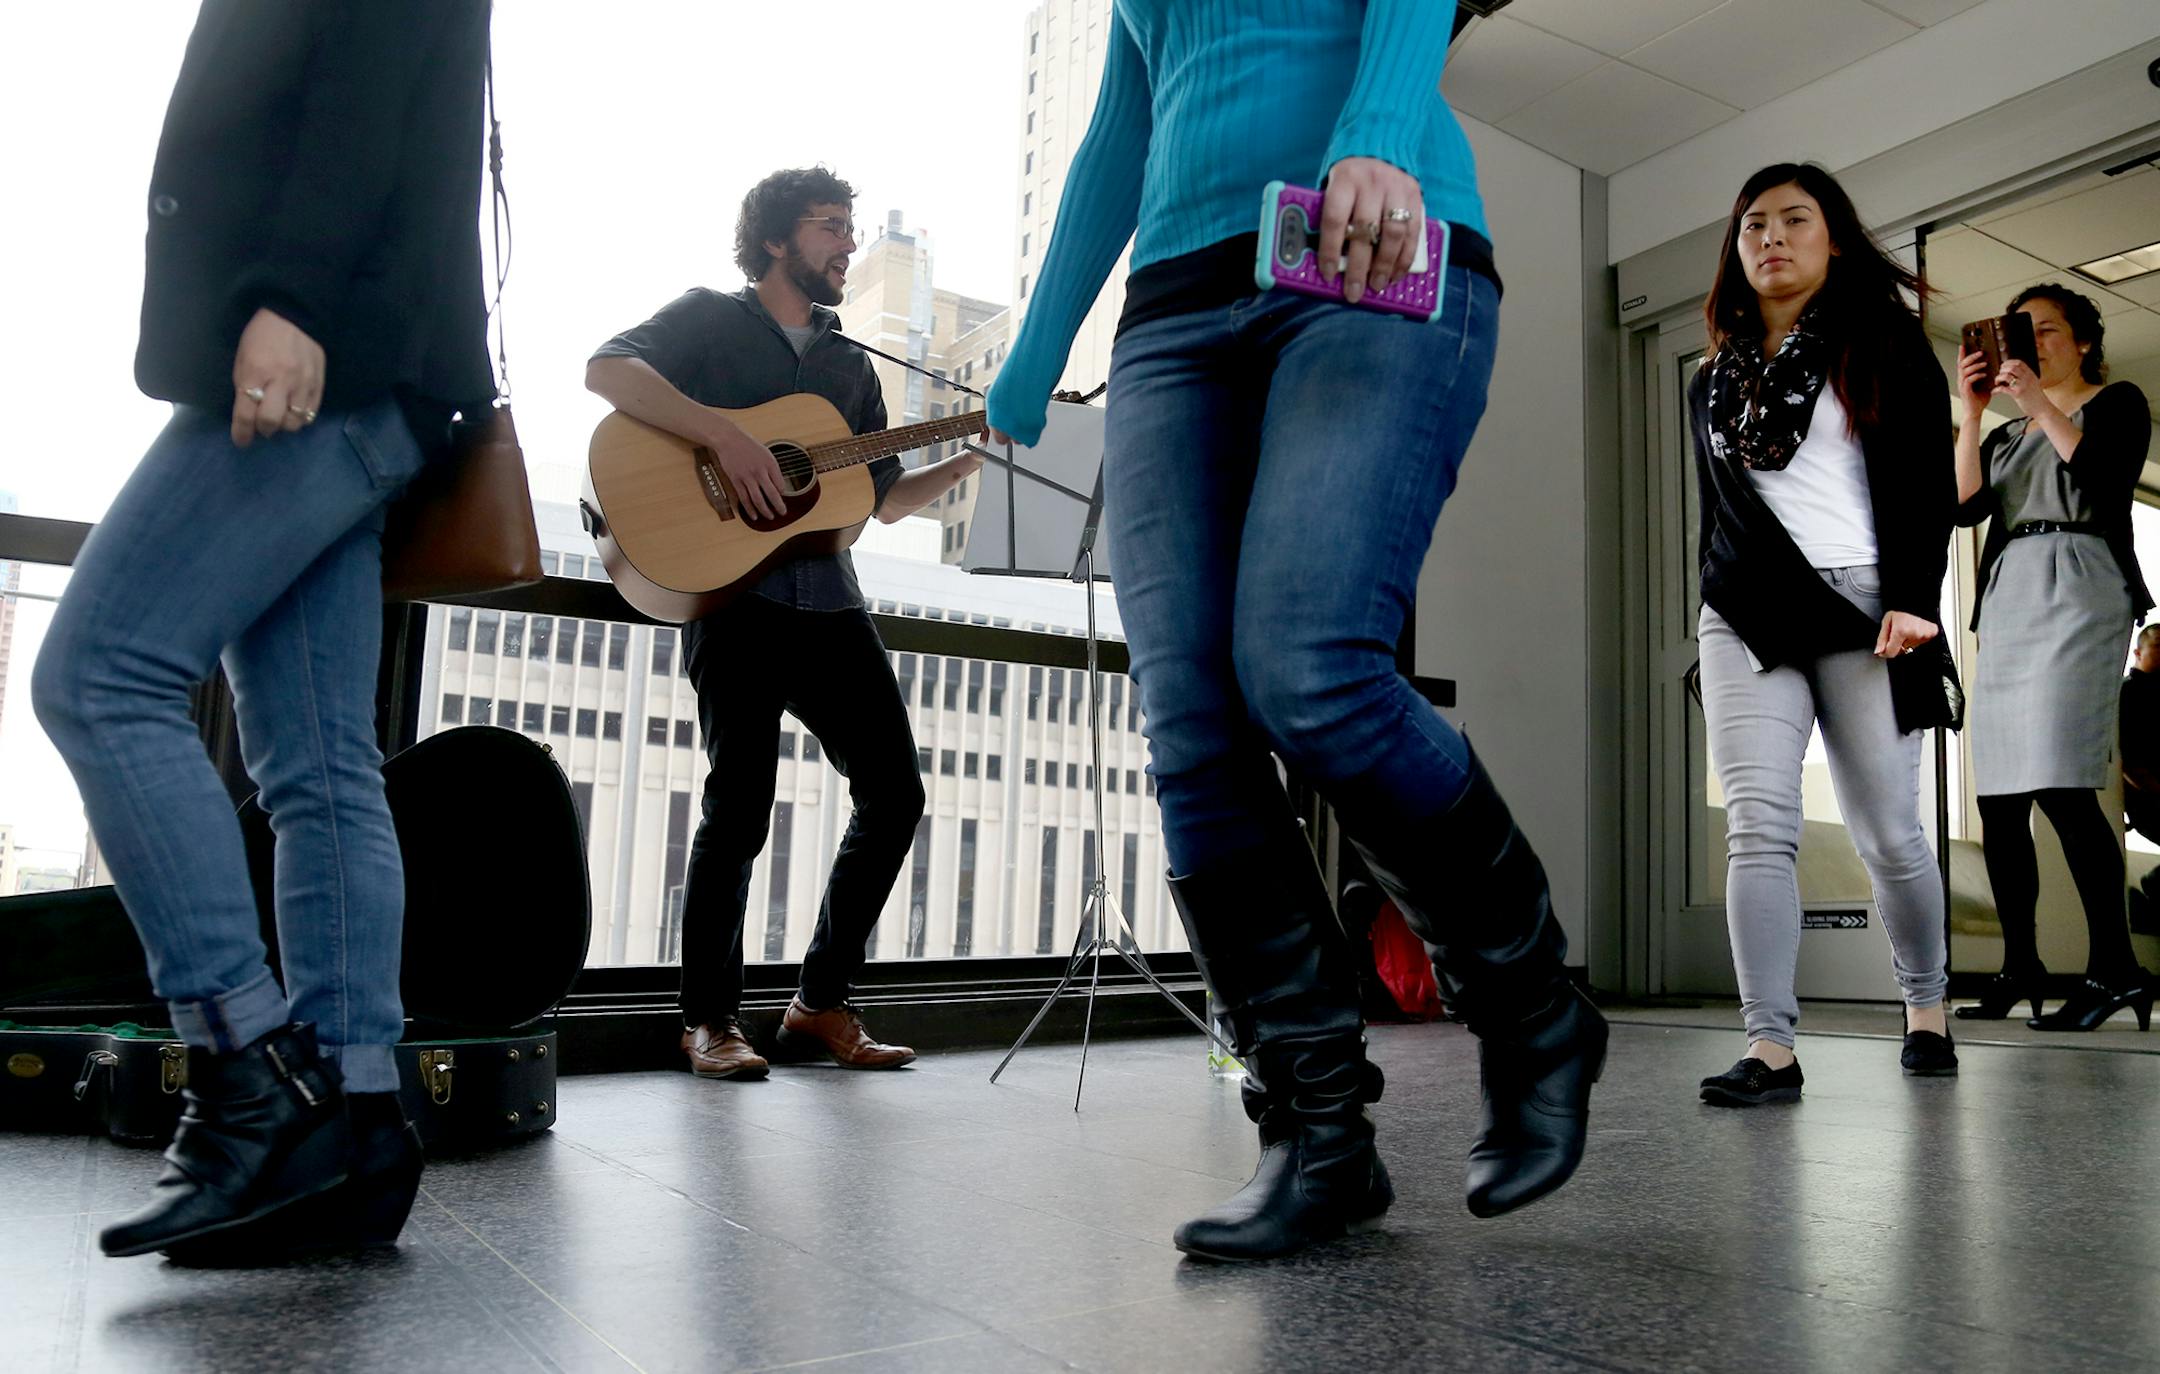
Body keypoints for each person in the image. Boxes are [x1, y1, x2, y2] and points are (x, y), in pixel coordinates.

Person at [985, 2, 1607, 1262]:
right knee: (1195, 735)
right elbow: (1122, 127)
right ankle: (1316, 1135)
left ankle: (1531, 1002)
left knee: (1309, 670)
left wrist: (1374, 129)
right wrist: (1040, 335)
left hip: (1365, 242)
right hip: (1172, 312)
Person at [30, 0, 495, 1260]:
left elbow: (366, 70)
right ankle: (354, 1117)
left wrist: (289, 297)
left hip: (326, 346)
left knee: (101, 676)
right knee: (319, 764)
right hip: (370, 358)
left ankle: (247, 1071)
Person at [586, 167, 981, 1078]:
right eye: (830, 226)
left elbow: (876, 503)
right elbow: (606, 368)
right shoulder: (708, 320)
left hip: (827, 602)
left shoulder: (850, 368)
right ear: (776, 240)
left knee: (896, 792)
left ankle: (819, 1004)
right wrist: (723, 436)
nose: (848, 244)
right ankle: (708, 1021)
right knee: (740, 808)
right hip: (736, 601)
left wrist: (963, 458)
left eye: (847, 227)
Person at [1689, 163, 1958, 1107]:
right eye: (1753, 223)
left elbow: (1929, 483)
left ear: (1833, 239)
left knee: (1889, 836)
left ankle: (1926, 1008)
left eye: (1795, 220)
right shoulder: (1712, 378)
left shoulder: (1881, 343)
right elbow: (1718, 515)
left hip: (1868, 609)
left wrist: (1918, 598)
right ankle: (1770, 1047)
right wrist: (1712, 606)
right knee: (1758, 828)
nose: (1771, 238)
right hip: (1748, 613)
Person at [1953, 283, 2156, 1031]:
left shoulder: (2118, 401)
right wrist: (1974, 413)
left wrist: (2039, 402)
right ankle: (2021, 964)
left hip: (2079, 583)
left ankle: (2114, 969)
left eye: (2046, 329)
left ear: (2082, 341)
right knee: (2000, 798)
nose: (2033, 341)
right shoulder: (2004, 434)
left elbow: (2102, 480)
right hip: (2010, 597)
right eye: (2021, 331)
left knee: (2064, 783)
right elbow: (1965, 507)